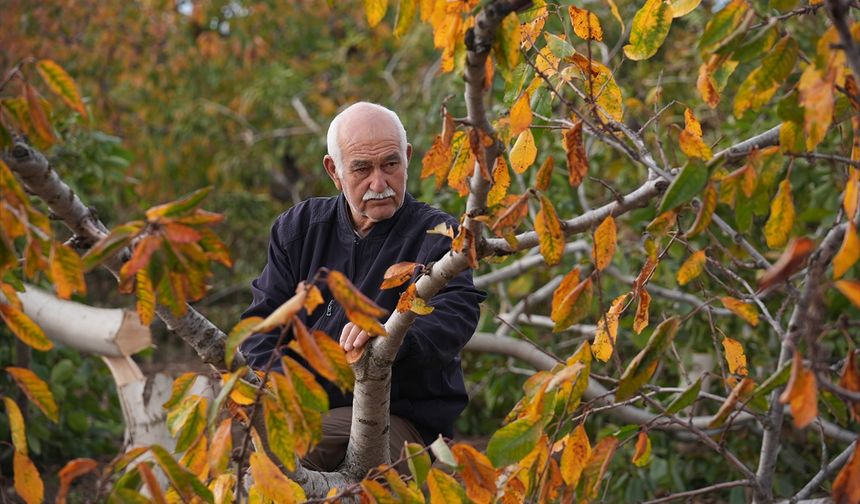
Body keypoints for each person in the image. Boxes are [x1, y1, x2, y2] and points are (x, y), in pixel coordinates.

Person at [240, 102, 485, 473]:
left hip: (404, 421)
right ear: (334, 171)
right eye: (361, 169)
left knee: (296, 452)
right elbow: (260, 327)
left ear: (407, 158)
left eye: (390, 164)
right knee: (245, 449)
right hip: (310, 409)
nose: (379, 183)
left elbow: (457, 312)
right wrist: (288, 391)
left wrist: (391, 339)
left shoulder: (436, 236)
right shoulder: (299, 229)